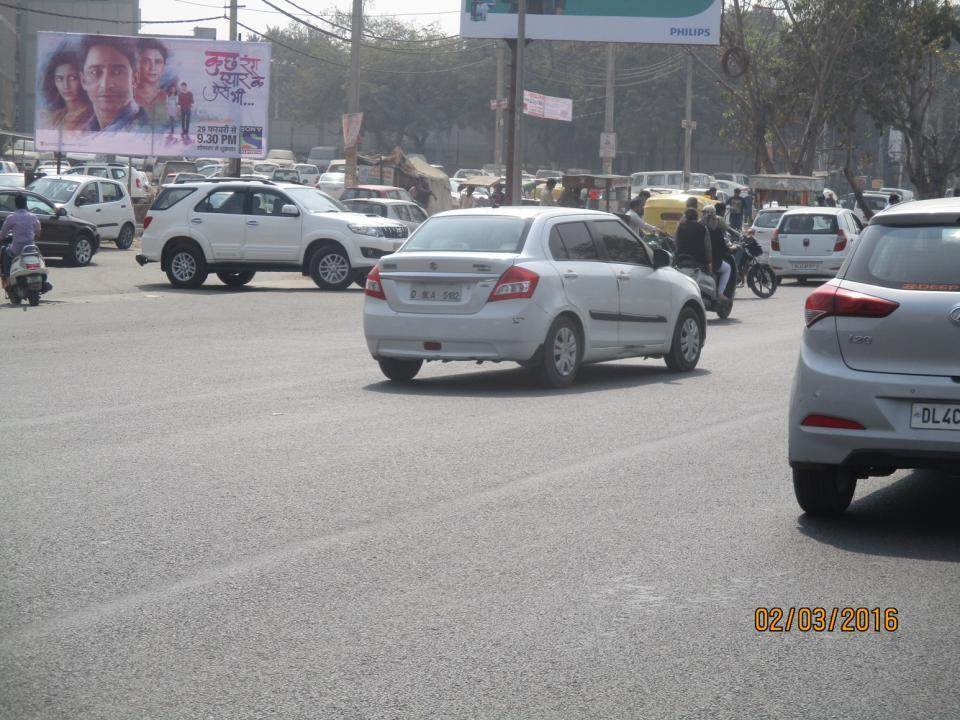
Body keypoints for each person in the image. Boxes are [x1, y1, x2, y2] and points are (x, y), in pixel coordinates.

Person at [79, 35, 150, 133]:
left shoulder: (147, 132)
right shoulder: (83, 134)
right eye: (94, 72)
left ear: (134, 78)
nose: (105, 85)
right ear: (83, 81)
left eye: (117, 72)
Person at [40, 48, 93, 132]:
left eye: (72, 78)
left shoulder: (93, 116)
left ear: (82, 78)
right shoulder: (54, 118)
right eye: (59, 79)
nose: (66, 86)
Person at [0, 194, 41, 288]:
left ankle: (7, 278)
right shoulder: (33, 217)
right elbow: (38, 231)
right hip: (31, 249)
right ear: (26, 204)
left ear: (16, 204)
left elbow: (3, 235)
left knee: (4, 251)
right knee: (40, 256)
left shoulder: (11, 217)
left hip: (16, 250)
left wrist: (2, 237)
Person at [702, 205, 734, 297]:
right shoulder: (716, 231)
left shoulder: (700, 228)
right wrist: (730, 248)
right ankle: (720, 293)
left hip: (700, 258)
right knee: (727, 268)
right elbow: (722, 247)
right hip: (711, 260)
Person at [134, 38, 168, 110]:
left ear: (164, 66)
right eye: (146, 61)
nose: (152, 68)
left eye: (158, 62)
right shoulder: (130, 96)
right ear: (139, 64)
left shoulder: (166, 96)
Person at [675, 206, 712, 271]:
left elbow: (676, 243)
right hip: (699, 262)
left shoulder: (680, 227)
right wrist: (709, 261)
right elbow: (708, 247)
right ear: (697, 217)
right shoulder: (703, 228)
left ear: (685, 217)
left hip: (681, 260)